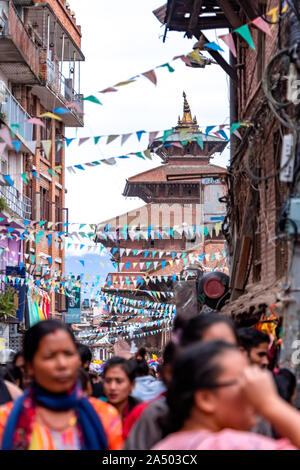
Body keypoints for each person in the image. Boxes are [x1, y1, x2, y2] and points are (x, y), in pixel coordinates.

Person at [152, 341, 300, 450]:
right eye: (243, 382)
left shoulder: (164, 446)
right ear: (206, 398)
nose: (254, 392)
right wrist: (270, 403)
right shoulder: (228, 444)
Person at [0, 320, 123, 450]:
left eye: (68, 354)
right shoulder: (6, 420)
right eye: (50, 356)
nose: (62, 364)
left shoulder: (104, 416)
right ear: (30, 366)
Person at [124, 313, 238, 450]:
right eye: (213, 350)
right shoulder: (155, 415)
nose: (224, 358)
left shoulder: (248, 409)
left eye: (231, 348)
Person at [103, 357, 140, 421]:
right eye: (108, 381)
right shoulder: (96, 414)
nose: (112, 387)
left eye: (119, 381)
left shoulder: (143, 415)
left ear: (132, 384)